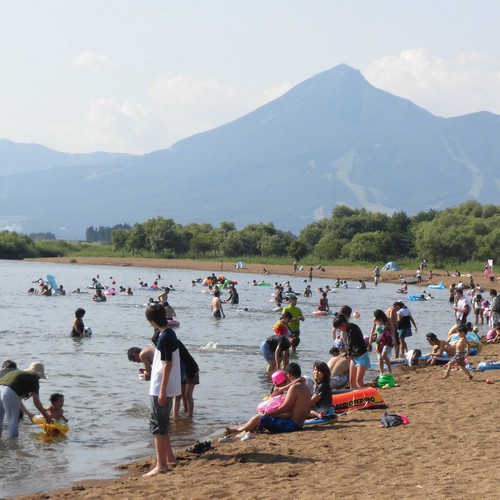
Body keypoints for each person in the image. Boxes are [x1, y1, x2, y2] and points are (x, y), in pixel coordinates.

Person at [143, 303, 182, 476]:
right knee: (163, 424)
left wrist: (162, 390)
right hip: (165, 386)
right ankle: (170, 457)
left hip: (161, 386)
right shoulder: (169, 333)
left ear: (151, 321)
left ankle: (161, 465)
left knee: (158, 426)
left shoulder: (164, 336)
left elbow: (167, 364)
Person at [225, 362, 311, 435]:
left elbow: (285, 407)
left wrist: (268, 413)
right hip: (299, 424)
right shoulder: (304, 386)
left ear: (288, 375)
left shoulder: (295, 387)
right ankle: (249, 426)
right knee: (281, 414)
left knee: (258, 418)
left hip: (291, 426)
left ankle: (239, 429)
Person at [0, 362, 53, 438]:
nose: (39, 379)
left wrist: (29, 414)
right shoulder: (34, 379)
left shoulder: (19, 375)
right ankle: (13, 446)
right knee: (12, 422)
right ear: (38, 375)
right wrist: (47, 417)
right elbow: (36, 402)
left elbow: (17, 400)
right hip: (9, 392)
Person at [333, 314, 370, 389]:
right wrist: (347, 353)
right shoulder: (347, 329)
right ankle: (354, 398)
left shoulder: (353, 328)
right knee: (351, 380)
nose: (339, 330)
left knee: (359, 381)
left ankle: (367, 397)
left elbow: (350, 342)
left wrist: (348, 353)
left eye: (339, 328)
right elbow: (349, 344)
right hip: (354, 357)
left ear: (343, 324)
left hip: (361, 356)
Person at [369, 309, 393, 375]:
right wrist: (370, 337)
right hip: (379, 340)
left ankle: (389, 369)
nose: (377, 318)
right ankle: (381, 372)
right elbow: (373, 329)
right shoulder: (375, 320)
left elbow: (392, 329)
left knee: (384, 355)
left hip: (388, 340)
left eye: (378, 317)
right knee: (379, 358)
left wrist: (395, 340)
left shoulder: (388, 320)